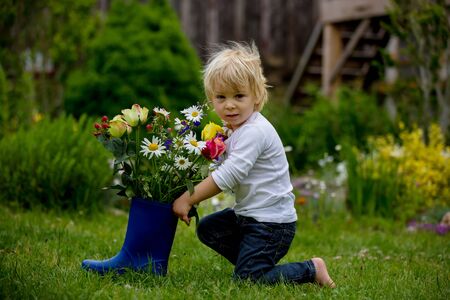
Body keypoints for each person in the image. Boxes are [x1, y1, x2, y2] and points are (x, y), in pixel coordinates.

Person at [172, 42, 335, 287]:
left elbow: (229, 175)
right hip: (248, 216)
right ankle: (252, 262)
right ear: (211, 99)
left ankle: (310, 269)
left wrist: (189, 198)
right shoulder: (234, 130)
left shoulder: (254, 132)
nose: (229, 105)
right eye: (221, 97)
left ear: (256, 95)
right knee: (209, 228)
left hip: (271, 224)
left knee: (248, 280)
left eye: (239, 96)